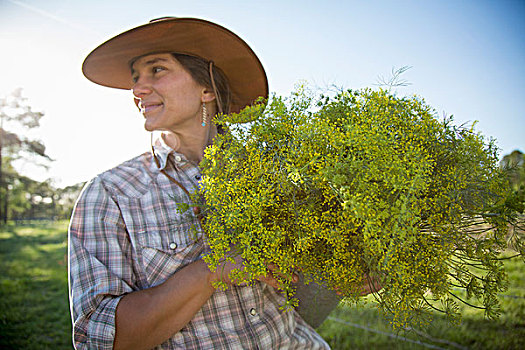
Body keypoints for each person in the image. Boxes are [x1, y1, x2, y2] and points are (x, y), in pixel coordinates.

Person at [69, 17, 333, 349]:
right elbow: (99, 339)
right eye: (136, 78)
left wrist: (350, 265)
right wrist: (210, 270)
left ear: (206, 87)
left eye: (157, 70)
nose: (137, 89)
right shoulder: (111, 193)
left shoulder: (271, 172)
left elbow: (306, 278)